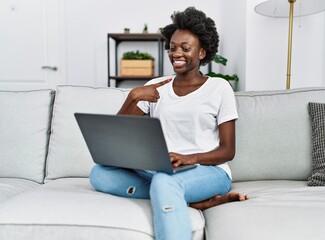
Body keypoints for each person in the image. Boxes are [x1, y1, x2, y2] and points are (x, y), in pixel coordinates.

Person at [89, 6, 247, 240]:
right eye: (172, 48)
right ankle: (194, 201)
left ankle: (178, 196)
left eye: (186, 48)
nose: (177, 54)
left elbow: (227, 150)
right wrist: (134, 96)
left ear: (202, 52)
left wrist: (190, 158)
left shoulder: (219, 88)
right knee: (99, 173)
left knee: (164, 181)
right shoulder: (157, 86)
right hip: (161, 166)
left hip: (208, 171)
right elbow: (118, 135)